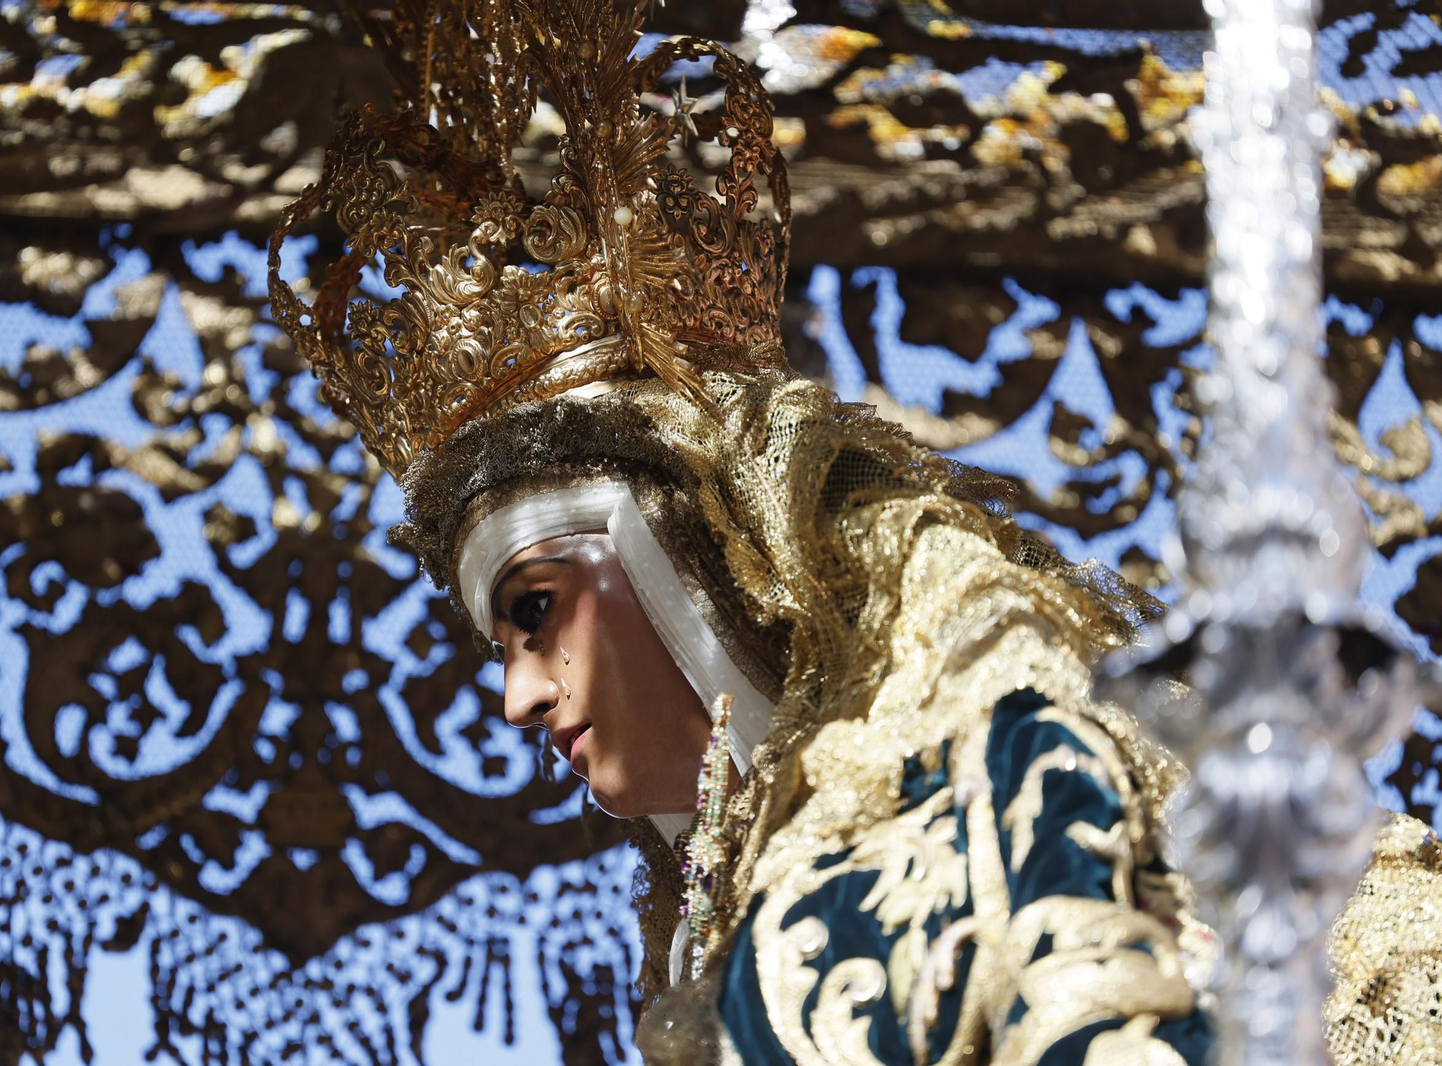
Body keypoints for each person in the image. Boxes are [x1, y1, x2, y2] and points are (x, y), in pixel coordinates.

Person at [268, 1, 1216, 1060]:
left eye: (536, 611)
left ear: (683, 557)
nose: (518, 695)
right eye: (502, 646)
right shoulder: (715, 946)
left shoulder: (1009, 782)